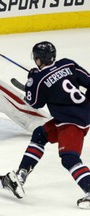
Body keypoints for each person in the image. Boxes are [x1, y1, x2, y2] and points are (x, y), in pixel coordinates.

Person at [15, 41, 90, 209]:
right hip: (79, 115)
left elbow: (35, 103)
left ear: (38, 59)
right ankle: (21, 173)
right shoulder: (68, 64)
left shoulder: (38, 79)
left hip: (71, 123)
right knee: (40, 134)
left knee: (69, 158)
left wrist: (31, 81)